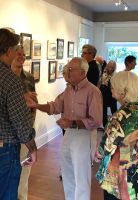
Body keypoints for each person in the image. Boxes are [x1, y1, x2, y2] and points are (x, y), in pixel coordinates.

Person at [32, 57, 102, 200]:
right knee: (67, 171)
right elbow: (54, 107)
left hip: (84, 135)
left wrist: (72, 123)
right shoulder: (69, 89)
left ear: (82, 73)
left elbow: (96, 120)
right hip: (69, 134)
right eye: (67, 69)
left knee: (81, 176)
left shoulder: (93, 91)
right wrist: (36, 106)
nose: (67, 72)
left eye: (71, 69)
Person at [95, 71, 138, 200]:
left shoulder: (121, 115)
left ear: (123, 91)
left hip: (121, 173)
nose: (111, 89)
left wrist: (97, 155)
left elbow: (107, 146)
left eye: (113, 86)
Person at [0, 27, 38, 200]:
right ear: (8, 51)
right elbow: (20, 120)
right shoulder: (10, 79)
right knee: (7, 193)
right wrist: (32, 146)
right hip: (5, 147)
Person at [11, 45, 37, 200]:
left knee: (24, 165)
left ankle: (21, 196)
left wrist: (31, 124)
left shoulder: (28, 77)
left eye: (23, 55)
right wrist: (23, 97)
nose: (21, 57)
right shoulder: (4, 77)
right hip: (8, 130)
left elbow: (33, 103)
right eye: (18, 54)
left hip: (25, 126)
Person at [100, 61, 117, 127]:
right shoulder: (104, 73)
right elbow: (101, 82)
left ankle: (115, 125)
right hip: (104, 93)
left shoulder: (115, 75)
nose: (111, 69)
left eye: (113, 67)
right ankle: (105, 126)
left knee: (114, 111)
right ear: (107, 66)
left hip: (112, 94)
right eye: (110, 66)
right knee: (103, 111)